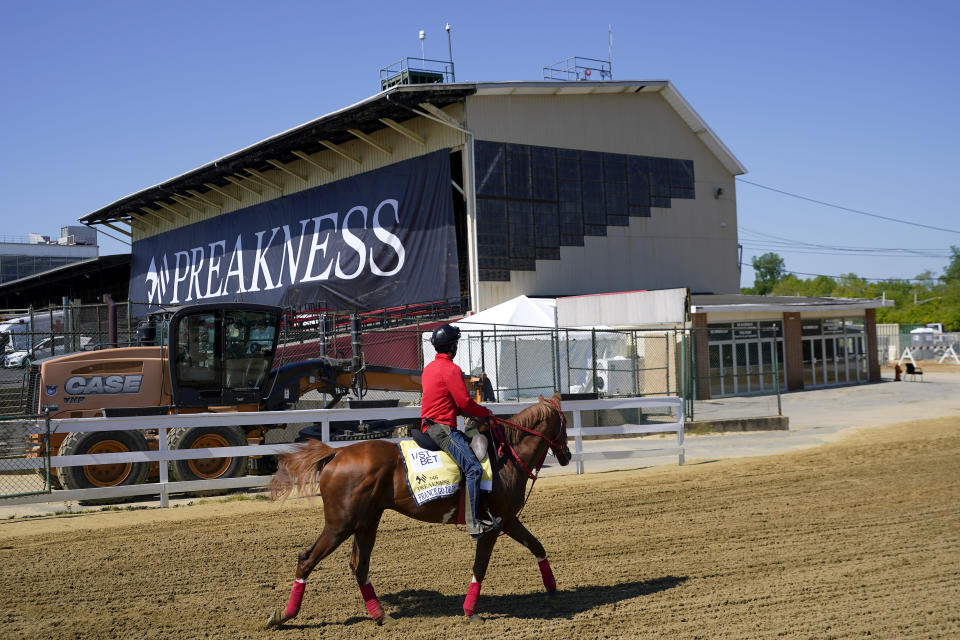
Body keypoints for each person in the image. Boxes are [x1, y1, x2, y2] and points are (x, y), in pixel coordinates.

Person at [421, 323, 500, 539]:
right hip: (442, 429)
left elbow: (450, 403)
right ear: (452, 347)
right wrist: (484, 413)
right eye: (455, 343)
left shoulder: (428, 369)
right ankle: (474, 524)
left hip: (431, 425)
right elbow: (464, 402)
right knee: (474, 469)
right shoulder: (451, 369)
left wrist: (469, 412)